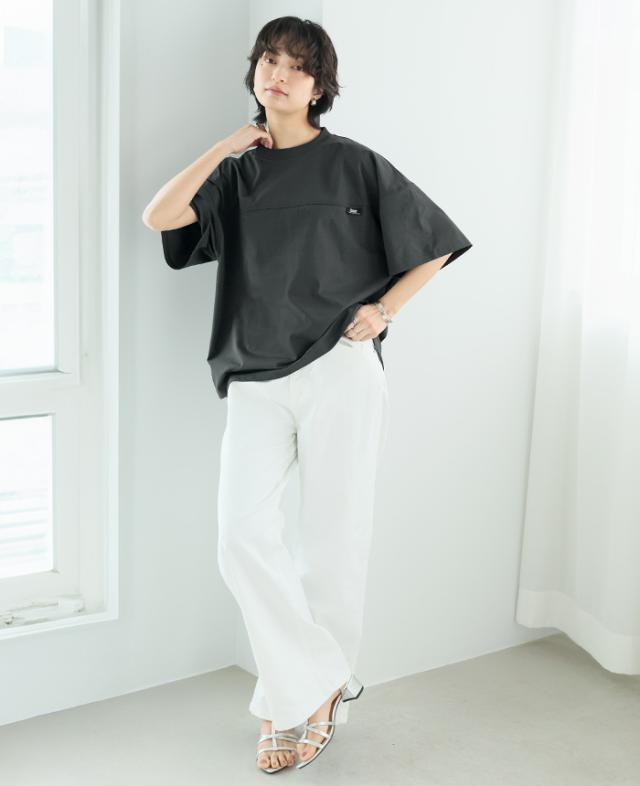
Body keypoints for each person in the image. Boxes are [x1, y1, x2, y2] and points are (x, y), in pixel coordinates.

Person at [143, 15, 472, 774]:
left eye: (297, 65)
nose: (280, 73)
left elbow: (436, 243)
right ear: (255, 74)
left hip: (339, 368)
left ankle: (294, 704)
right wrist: (225, 146)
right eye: (269, 60)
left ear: (320, 86)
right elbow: (159, 217)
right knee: (241, 539)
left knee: (332, 541)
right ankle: (319, 679)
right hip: (254, 376)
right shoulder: (235, 176)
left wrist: (384, 309)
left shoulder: (354, 164)